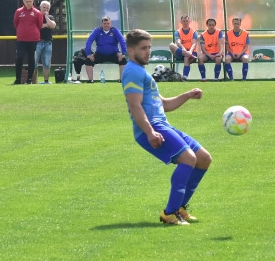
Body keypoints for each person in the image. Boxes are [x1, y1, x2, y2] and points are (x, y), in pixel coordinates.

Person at [122, 28, 212, 226]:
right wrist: (150, 132)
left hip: (161, 124)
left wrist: (187, 95)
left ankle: (180, 208)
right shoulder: (132, 72)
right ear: (131, 51)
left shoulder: (142, 72)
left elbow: (164, 104)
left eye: (149, 47)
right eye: (143, 48)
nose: (148, 52)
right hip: (152, 127)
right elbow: (134, 106)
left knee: (204, 159)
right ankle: (169, 213)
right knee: (189, 158)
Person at [75, 16, 128, 83]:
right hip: (100, 54)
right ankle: (90, 80)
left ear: (110, 23)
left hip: (114, 53)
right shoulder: (97, 31)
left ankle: (121, 80)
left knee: (123, 59)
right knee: (88, 60)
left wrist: (123, 54)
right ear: (102, 24)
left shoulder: (115, 30)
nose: (106, 25)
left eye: (108, 23)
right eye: (104, 23)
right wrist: (88, 54)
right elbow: (89, 41)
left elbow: (122, 41)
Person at [13, 0, 43, 84]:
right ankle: (18, 79)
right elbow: (15, 24)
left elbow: (40, 25)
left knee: (31, 59)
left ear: (33, 1)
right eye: (27, 2)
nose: (29, 3)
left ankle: (29, 80)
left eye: (30, 1)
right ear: (23, 1)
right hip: (21, 40)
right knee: (19, 58)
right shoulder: (18, 11)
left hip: (33, 40)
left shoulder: (37, 13)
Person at [34, 0, 58, 83]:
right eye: (44, 7)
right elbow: (37, 26)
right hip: (37, 42)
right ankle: (32, 81)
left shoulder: (50, 17)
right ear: (40, 7)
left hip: (48, 43)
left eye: (47, 8)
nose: (45, 9)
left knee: (47, 63)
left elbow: (52, 26)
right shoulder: (36, 16)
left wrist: (47, 18)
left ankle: (46, 81)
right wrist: (46, 25)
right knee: (34, 63)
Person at [169, 14, 199, 79]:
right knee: (171, 45)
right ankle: (188, 55)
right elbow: (178, 42)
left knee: (186, 57)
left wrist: (190, 52)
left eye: (186, 21)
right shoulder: (178, 32)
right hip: (181, 52)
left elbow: (194, 44)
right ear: (181, 22)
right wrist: (184, 50)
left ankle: (185, 77)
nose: (185, 23)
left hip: (191, 52)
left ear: (189, 21)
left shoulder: (194, 32)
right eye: (184, 21)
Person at [224, 16, 251, 81]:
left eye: (237, 24)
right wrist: (232, 53)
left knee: (245, 58)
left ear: (240, 24)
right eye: (235, 23)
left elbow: (246, 46)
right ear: (232, 24)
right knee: (227, 59)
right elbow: (227, 46)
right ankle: (231, 79)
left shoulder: (245, 33)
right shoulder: (228, 33)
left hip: (242, 53)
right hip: (231, 53)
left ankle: (244, 79)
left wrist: (240, 54)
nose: (236, 25)